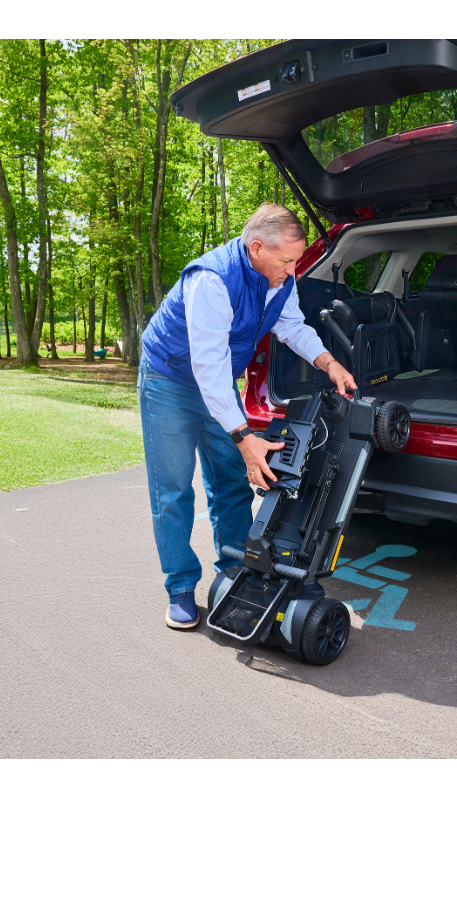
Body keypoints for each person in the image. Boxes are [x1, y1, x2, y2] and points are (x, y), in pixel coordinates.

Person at [138, 203, 358, 629]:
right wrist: (244, 437)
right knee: (173, 491)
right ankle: (180, 587)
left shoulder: (280, 280)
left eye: (296, 260)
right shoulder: (211, 280)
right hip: (170, 381)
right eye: (287, 260)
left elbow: (291, 327)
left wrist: (329, 362)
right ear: (256, 248)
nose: (293, 270)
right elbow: (207, 367)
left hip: (218, 382)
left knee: (231, 482)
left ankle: (235, 573)